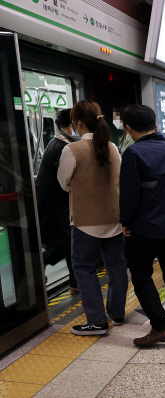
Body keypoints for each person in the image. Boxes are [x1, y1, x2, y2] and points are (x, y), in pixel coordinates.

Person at [119, 105, 165, 346]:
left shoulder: (133, 154)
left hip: (145, 227)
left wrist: (126, 222)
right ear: (156, 124)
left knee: (141, 275)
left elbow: (129, 195)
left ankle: (160, 327)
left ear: (128, 128)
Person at [57, 100, 128, 336]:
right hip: (114, 218)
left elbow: (64, 183)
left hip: (85, 220)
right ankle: (117, 314)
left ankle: (96, 321)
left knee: (84, 268)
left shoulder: (72, 150)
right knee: (117, 265)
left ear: (77, 123)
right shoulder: (113, 148)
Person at [35, 109, 78, 292]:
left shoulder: (61, 144)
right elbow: (66, 181)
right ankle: (40, 263)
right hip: (55, 207)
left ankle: (76, 283)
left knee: (69, 244)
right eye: (76, 124)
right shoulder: (60, 148)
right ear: (64, 127)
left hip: (58, 206)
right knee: (67, 243)